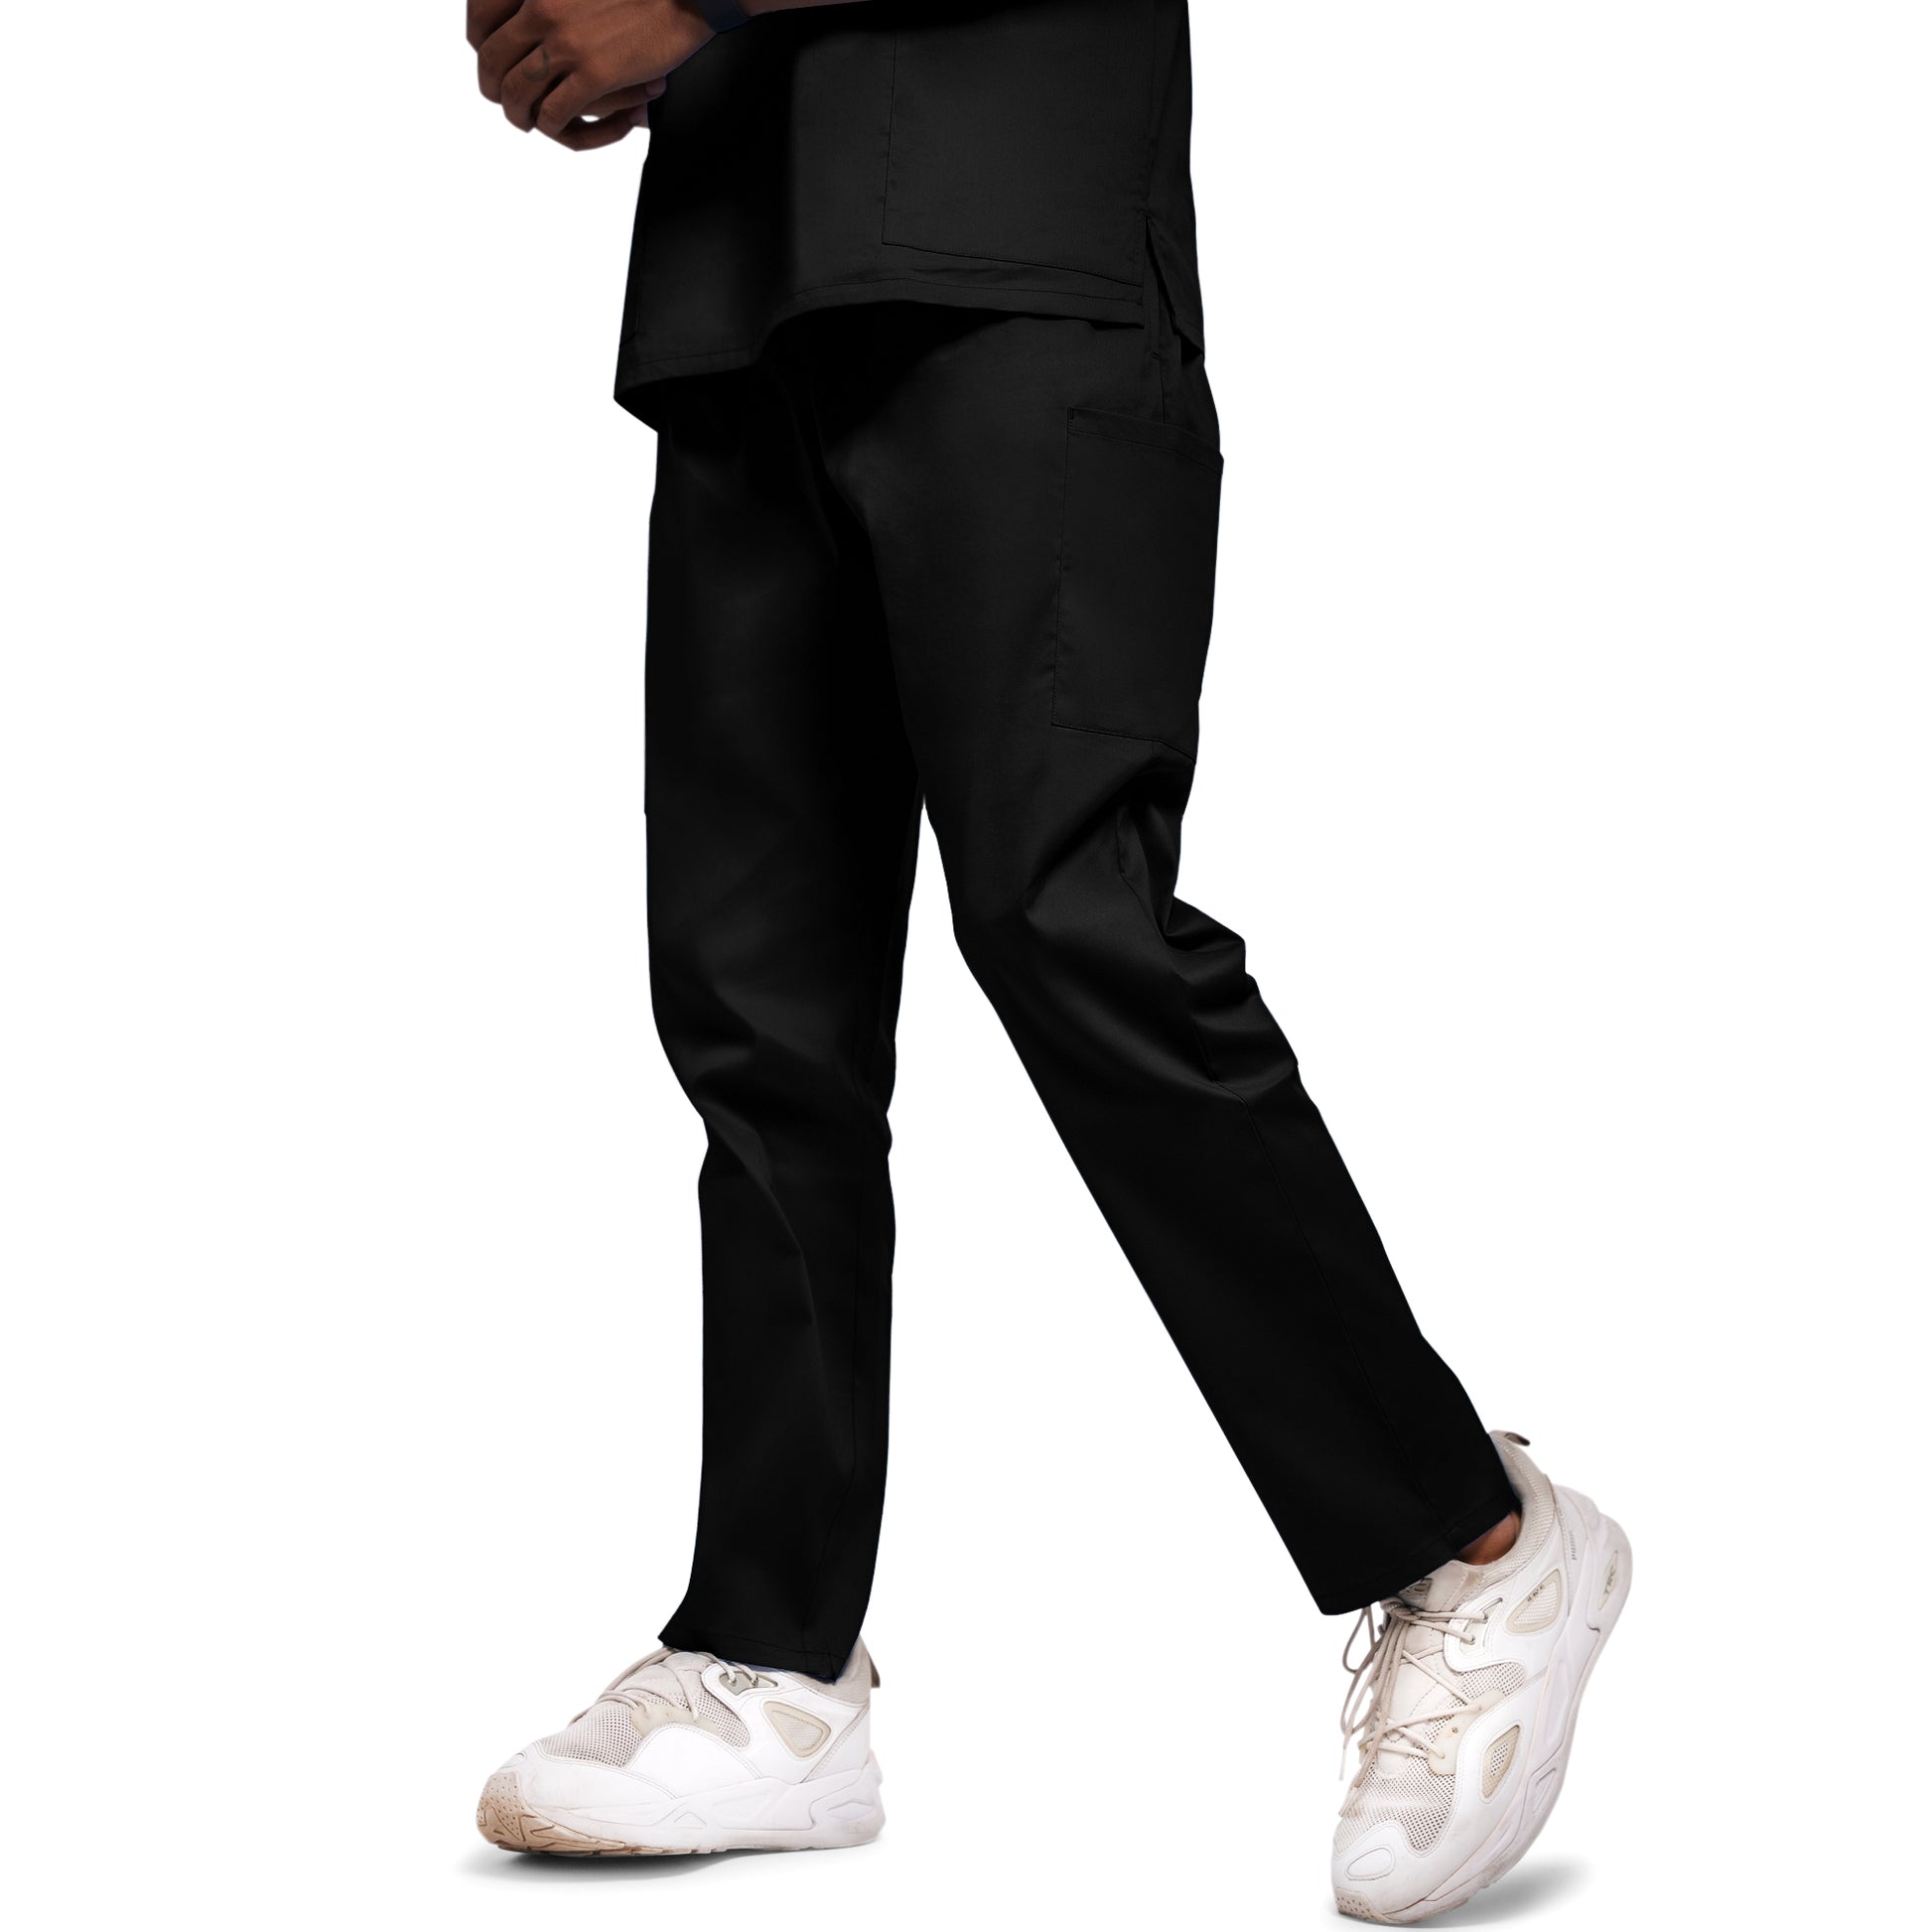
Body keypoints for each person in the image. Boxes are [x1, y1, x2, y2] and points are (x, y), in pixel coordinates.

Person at [463, 2, 1629, 1919]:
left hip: (1019, 252)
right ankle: (771, 1658)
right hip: (744, 283)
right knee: (756, 1010)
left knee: (1069, 921)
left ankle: (1477, 1536)